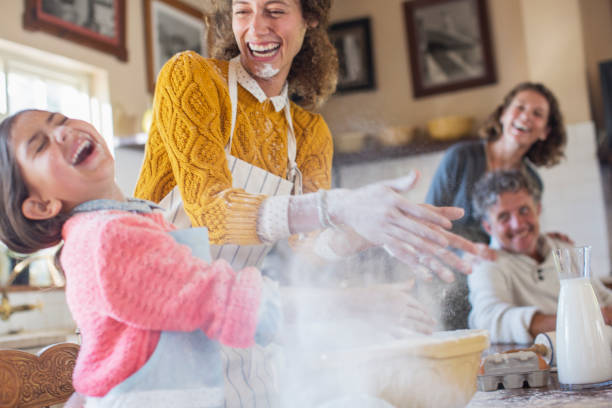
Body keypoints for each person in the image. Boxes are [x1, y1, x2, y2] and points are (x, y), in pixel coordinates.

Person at [134, 0, 492, 405]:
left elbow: (306, 247)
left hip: (244, 335)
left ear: (310, 18)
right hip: (160, 336)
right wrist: (338, 206)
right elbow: (210, 211)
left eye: (274, 10)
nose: (256, 28)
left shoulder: (308, 132)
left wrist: (366, 232)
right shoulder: (191, 78)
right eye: (242, 11)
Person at [0, 109, 281, 407]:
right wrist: (300, 311)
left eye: (61, 121)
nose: (62, 132)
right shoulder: (106, 238)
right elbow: (215, 297)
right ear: (42, 205)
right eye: (40, 146)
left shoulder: (121, 222)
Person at [468, 170, 612, 344]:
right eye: (504, 217)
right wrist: (585, 319)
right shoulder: (485, 264)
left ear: (538, 209)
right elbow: (489, 321)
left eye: (524, 210)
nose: (518, 224)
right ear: (488, 227)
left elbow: (602, 298)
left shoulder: (563, 248)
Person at [425, 82, 566, 244]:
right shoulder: (460, 157)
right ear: (503, 114)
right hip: (449, 267)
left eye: (537, 114)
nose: (526, 116)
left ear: (545, 132)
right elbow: (429, 221)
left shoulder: (533, 183)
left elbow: (517, 239)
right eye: (520, 107)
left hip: (499, 269)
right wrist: (466, 254)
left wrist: (543, 241)